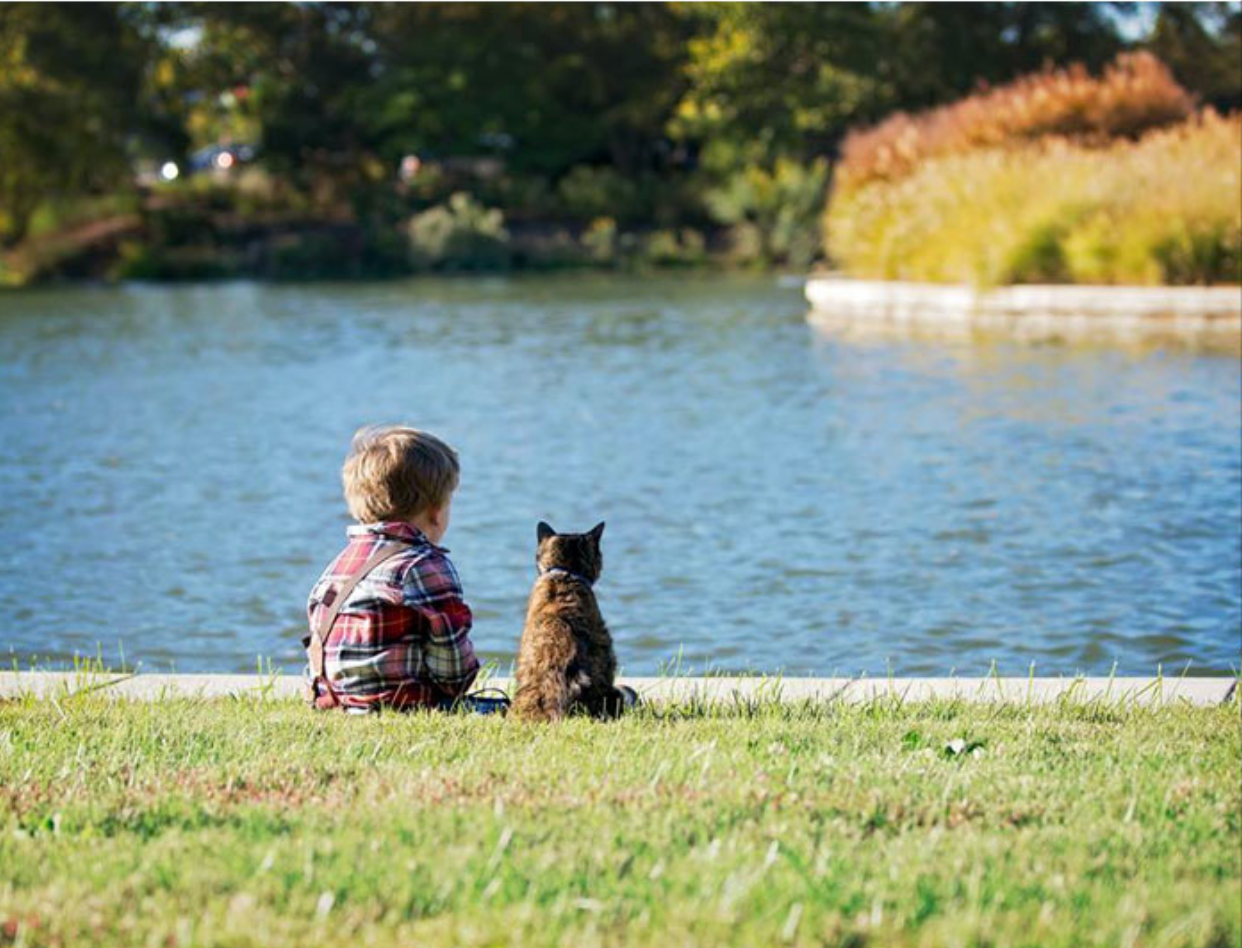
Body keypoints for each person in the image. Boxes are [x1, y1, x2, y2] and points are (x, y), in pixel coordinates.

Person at [305, 425, 498, 713]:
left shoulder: (340, 565)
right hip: (401, 706)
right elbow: (454, 673)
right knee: (505, 710)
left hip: (336, 704)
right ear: (435, 511)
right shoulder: (424, 564)